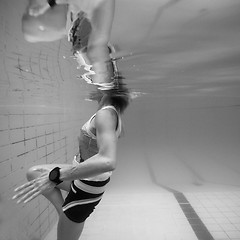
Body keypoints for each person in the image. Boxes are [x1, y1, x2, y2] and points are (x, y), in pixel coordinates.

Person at [13, 81, 130, 240]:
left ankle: (67, 216)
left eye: (94, 80)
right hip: (83, 180)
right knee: (34, 173)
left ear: (106, 88)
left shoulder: (106, 114)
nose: (89, 83)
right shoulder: (110, 113)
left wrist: (57, 175)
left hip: (87, 188)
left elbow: (107, 161)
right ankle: (63, 213)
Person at [22, 0, 115, 85]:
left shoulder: (95, 44)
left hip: (72, 25)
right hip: (74, 15)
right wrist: (49, 3)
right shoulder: (97, 41)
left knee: (29, 32)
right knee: (30, 24)